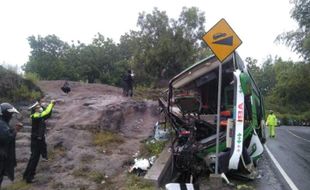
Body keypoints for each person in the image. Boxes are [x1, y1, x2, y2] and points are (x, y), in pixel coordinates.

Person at [23, 100, 56, 183]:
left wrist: (50, 106)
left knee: (33, 157)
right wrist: (51, 104)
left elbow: (47, 113)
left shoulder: (38, 115)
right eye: (38, 107)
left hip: (37, 138)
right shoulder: (37, 115)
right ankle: (29, 178)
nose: (40, 107)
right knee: (34, 158)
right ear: (35, 110)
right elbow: (46, 111)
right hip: (37, 139)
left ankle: (26, 175)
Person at [0, 103, 21, 187]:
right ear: (5, 113)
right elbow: (6, 138)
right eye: (10, 114)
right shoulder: (1, 124)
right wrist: (15, 130)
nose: (11, 116)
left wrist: (12, 130)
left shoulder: (3, 123)